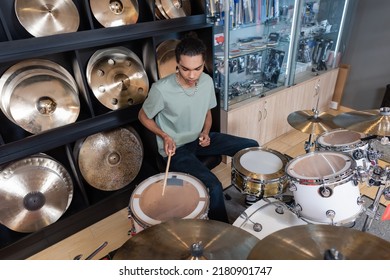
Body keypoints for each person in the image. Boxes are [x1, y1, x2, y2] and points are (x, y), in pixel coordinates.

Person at [138, 34, 259, 223]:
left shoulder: (207, 82)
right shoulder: (161, 89)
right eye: (185, 69)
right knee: (214, 186)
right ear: (177, 63)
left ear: (204, 64)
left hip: (199, 140)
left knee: (252, 146)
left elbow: (207, 113)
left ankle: (252, 195)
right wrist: (164, 136)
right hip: (175, 148)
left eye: (198, 68)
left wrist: (205, 132)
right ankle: (220, 229)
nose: (192, 75)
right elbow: (143, 116)